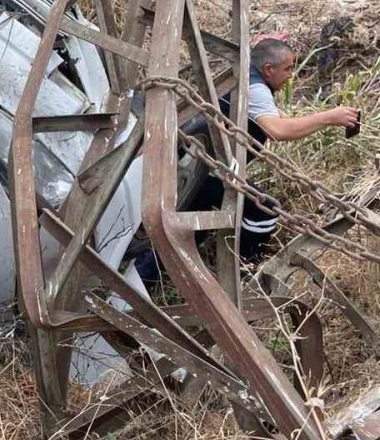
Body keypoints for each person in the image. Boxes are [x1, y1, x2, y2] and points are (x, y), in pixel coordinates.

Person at [134, 37, 360, 284]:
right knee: (264, 210)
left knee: (192, 228)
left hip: (195, 167)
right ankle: (243, 275)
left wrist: (329, 118)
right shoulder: (256, 90)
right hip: (201, 169)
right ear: (268, 69)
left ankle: (143, 281)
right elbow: (278, 130)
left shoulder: (245, 77)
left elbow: (281, 120)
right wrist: (328, 117)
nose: (291, 75)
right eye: (287, 69)